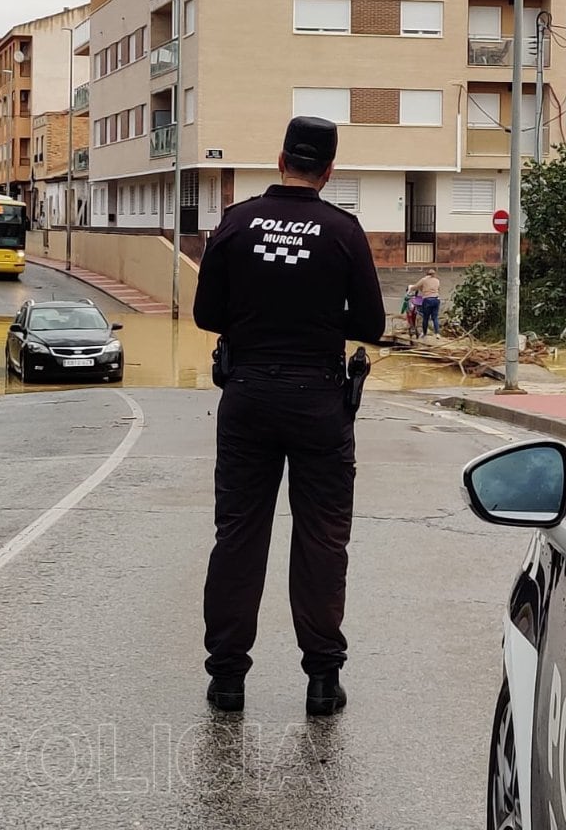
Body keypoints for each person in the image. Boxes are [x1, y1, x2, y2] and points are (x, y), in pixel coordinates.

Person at [192, 115, 386, 717]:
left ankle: (227, 680)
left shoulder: (236, 221)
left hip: (247, 395)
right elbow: (372, 326)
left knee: (239, 538)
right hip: (320, 403)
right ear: (328, 170)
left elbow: (205, 314)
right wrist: (324, 320)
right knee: (322, 541)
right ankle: (322, 682)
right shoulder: (343, 231)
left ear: (280, 160)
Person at [408, 268, 442, 336]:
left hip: (427, 300)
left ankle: (424, 333)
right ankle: (437, 333)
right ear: (434, 274)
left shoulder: (424, 279)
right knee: (435, 317)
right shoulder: (437, 280)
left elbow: (416, 287)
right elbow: (438, 289)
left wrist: (410, 287)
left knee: (425, 317)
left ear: (427, 274)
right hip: (436, 300)